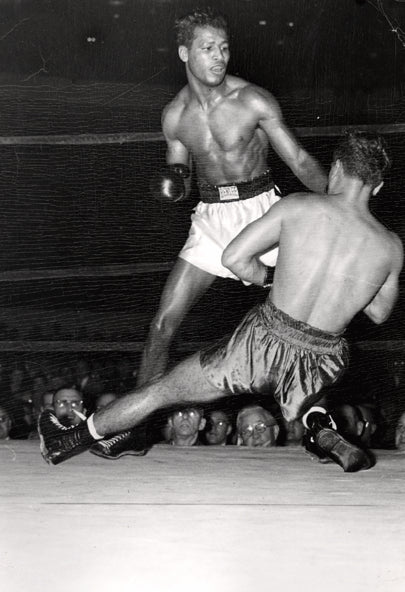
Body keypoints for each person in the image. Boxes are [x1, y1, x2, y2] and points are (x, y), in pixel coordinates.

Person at [39, 132, 402, 472]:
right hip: (324, 354)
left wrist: (273, 277)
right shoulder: (390, 246)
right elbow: (380, 312)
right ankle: (320, 427)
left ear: (336, 168)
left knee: (160, 391)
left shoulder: (300, 207)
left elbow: (233, 258)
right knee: (306, 380)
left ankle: (67, 439)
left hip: (263, 341)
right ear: (379, 186)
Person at [138, 8, 327, 389]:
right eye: (208, 48)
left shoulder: (252, 100)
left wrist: (344, 203)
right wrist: (174, 184)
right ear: (184, 54)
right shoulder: (174, 116)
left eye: (224, 48)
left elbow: (300, 161)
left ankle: (317, 421)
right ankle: (135, 424)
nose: (219, 56)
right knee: (163, 323)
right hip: (210, 217)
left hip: (263, 213)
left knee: (310, 326)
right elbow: (183, 181)